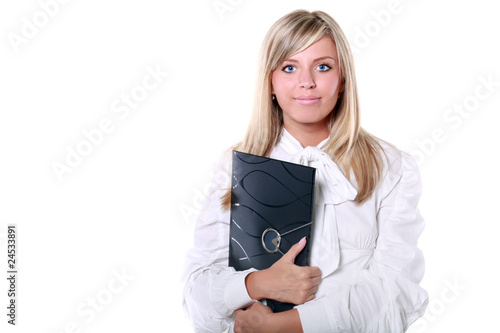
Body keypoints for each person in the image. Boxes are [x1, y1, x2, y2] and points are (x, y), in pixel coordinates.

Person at [182, 9, 428, 333]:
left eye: (323, 66)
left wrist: (281, 326)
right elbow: (197, 295)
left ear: (342, 81)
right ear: (270, 81)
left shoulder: (391, 168)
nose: (307, 82)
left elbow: (394, 293)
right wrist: (258, 283)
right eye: (289, 67)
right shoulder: (235, 167)